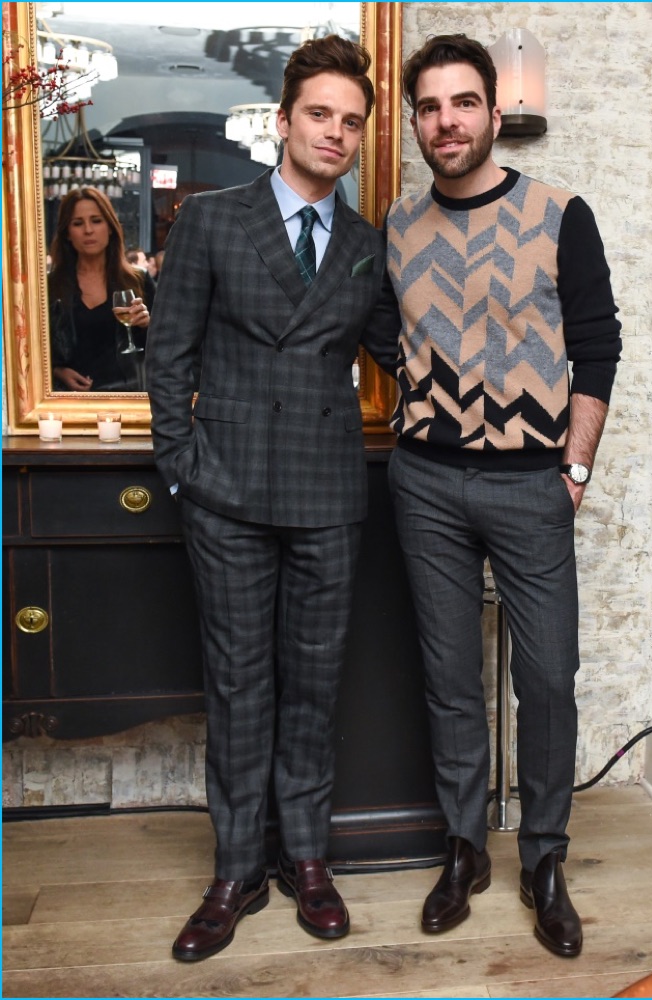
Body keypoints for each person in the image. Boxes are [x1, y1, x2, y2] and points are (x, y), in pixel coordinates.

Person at [146, 34, 398, 962]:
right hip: (229, 495)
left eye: (351, 123)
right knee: (241, 685)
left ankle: (307, 858)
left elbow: (397, 352)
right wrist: (184, 467)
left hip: (329, 495)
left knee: (315, 688)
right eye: (320, 115)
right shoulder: (214, 221)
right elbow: (167, 359)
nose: (335, 134)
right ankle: (234, 868)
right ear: (284, 121)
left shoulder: (367, 244)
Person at [382, 34, 622, 957]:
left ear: (493, 111)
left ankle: (546, 858)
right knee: (449, 680)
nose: (447, 120)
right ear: (417, 122)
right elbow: (380, 335)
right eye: (430, 106)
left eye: (463, 102)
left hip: (533, 486)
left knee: (547, 679)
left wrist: (575, 470)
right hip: (427, 483)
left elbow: (597, 347)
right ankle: (464, 847)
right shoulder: (399, 229)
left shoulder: (561, 213)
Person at [49, 187, 154, 391]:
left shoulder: (138, 280)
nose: (88, 230)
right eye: (78, 223)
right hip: (69, 402)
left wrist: (149, 325)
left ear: (110, 227)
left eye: (96, 221)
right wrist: (56, 371)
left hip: (127, 397)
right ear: (67, 233)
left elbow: (169, 344)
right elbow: (30, 349)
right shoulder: (51, 286)